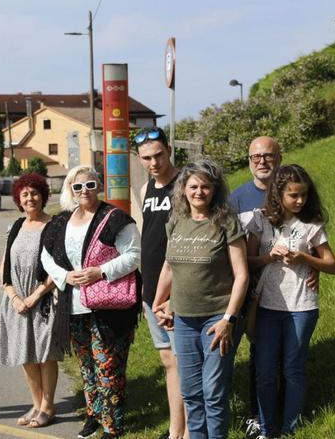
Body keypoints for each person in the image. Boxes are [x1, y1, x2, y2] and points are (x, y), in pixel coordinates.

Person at [40, 165, 141, 439]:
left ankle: (112, 425)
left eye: (90, 185)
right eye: (78, 186)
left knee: (108, 365)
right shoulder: (61, 221)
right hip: (73, 307)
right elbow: (46, 256)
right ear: (70, 191)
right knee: (87, 366)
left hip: (108, 307)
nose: (84, 191)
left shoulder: (115, 218)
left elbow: (133, 255)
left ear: (99, 186)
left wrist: (101, 272)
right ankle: (93, 416)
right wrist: (65, 276)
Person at [152, 158, 249, 439]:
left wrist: (229, 319)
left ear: (214, 190)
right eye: (193, 186)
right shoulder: (176, 222)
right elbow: (169, 267)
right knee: (192, 392)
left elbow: (241, 275)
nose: (199, 192)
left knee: (213, 392)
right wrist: (160, 303)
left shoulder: (226, 222)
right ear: (183, 189)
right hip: (183, 320)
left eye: (205, 187)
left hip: (218, 319)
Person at [245, 165, 335, 438]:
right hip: (266, 306)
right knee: (264, 371)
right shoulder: (259, 220)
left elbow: (332, 265)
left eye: (304, 195)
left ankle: (290, 429)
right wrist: (268, 257)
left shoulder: (312, 225)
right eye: (294, 195)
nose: (300, 201)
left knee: (292, 369)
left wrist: (305, 259)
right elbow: (247, 262)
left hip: (302, 306)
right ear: (278, 194)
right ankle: (266, 429)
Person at [0, 173, 69, 428]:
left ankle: (48, 407)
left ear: (43, 196)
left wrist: (35, 296)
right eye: (25, 194)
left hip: (45, 299)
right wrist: (13, 296)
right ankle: (37, 404)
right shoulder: (15, 226)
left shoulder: (55, 226)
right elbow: (6, 264)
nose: (30, 198)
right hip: (17, 301)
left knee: (46, 353)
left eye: (35, 193)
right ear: (18, 198)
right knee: (26, 354)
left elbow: (59, 267)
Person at [229, 136, 281, 439]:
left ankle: (273, 413)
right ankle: (254, 415)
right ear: (249, 161)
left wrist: (312, 265)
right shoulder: (236, 199)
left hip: (285, 290)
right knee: (251, 352)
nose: (262, 161)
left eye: (268, 155)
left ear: (279, 157)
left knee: (272, 354)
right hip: (247, 289)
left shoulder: (290, 191)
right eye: (255, 157)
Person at [135, 127, 186, 439]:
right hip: (151, 290)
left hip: (177, 291)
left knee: (182, 364)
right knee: (168, 362)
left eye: (158, 155)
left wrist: (173, 296)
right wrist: (146, 294)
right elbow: (148, 241)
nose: (153, 163)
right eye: (146, 158)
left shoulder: (185, 185)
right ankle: (174, 429)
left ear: (169, 151)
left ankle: (186, 431)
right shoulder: (144, 190)